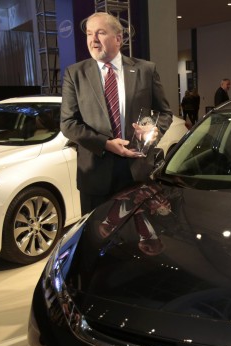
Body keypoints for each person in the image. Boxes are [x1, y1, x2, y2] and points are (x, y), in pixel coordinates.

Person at [60, 12, 173, 216]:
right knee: (97, 238)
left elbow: (164, 113)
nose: (93, 40)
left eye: (100, 33)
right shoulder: (75, 74)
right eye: (89, 34)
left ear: (118, 39)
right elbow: (68, 123)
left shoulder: (145, 70)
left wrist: (153, 129)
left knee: (137, 236)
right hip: (95, 177)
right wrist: (105, 144)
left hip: (137, 172)